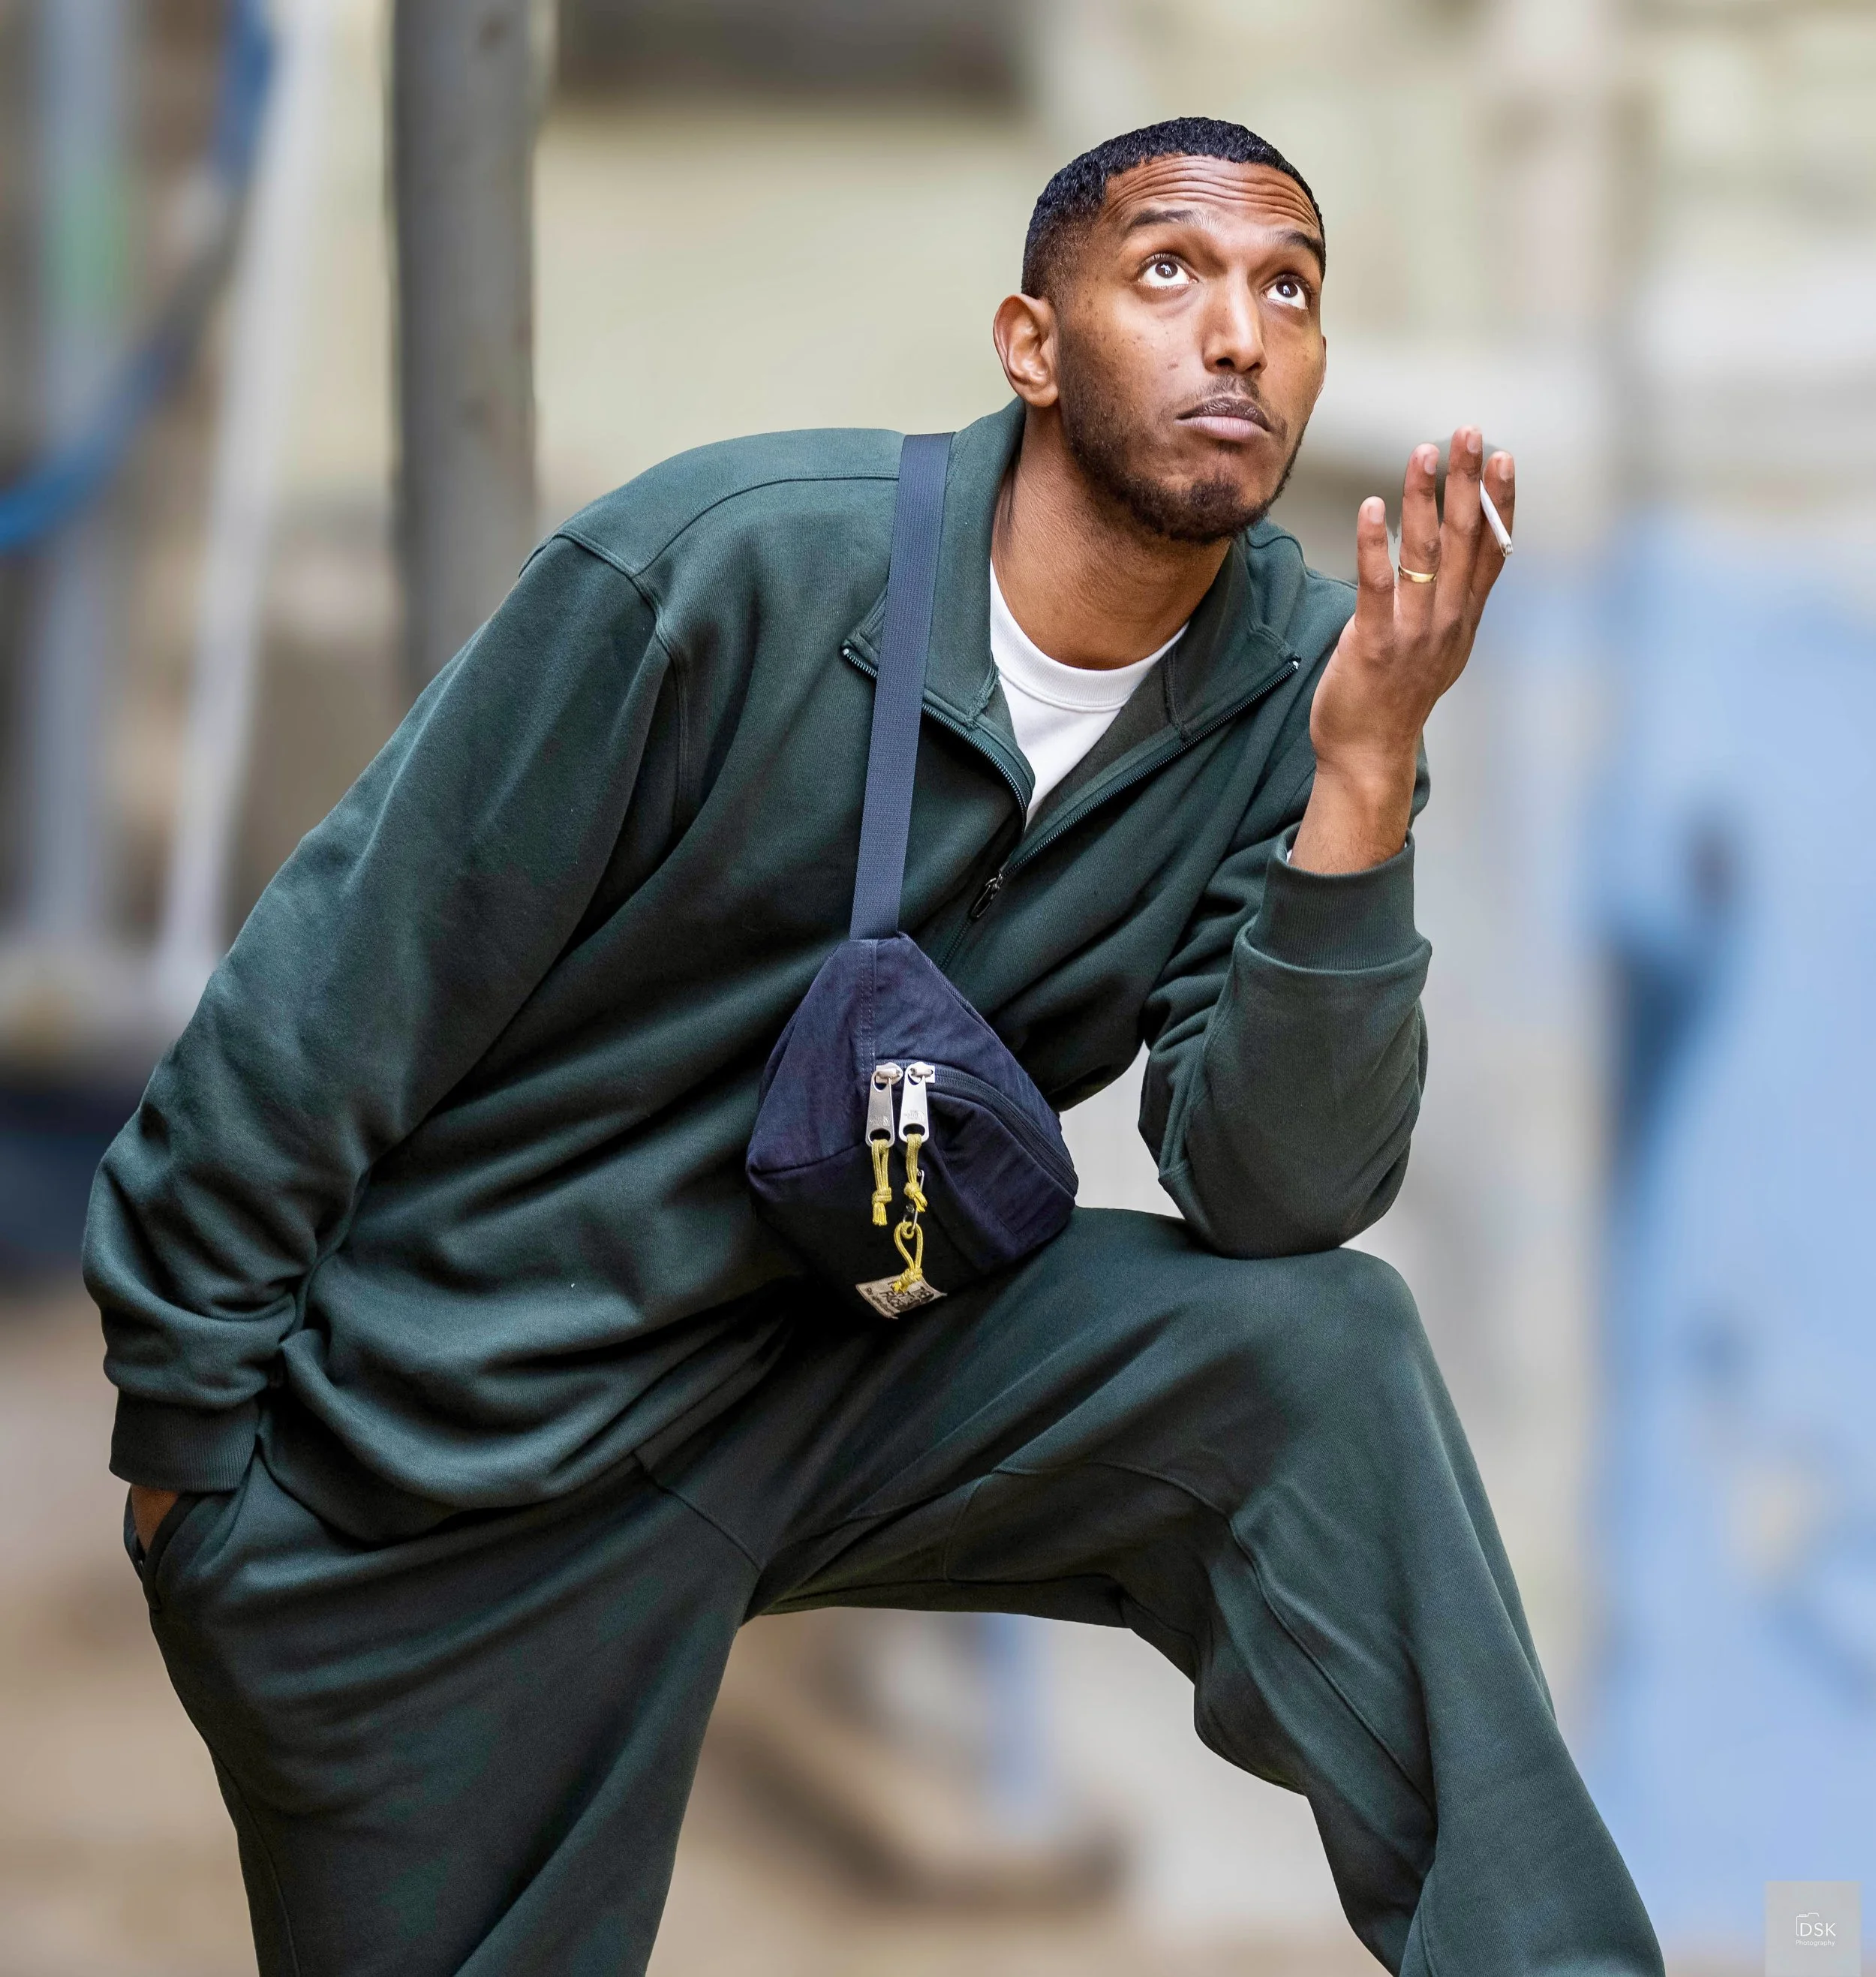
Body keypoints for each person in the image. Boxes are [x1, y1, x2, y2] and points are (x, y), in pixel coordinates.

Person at [89, 117, 1662, 1977]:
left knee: (1311, 1351)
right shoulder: (721, 569)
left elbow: (1275, 1191)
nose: (1236, 330)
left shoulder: (1300, 694)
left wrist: (1361, 779)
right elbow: (322, 1009)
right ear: (1029, 341)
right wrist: (197, 1462)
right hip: (451, 1444)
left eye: (1286, 289)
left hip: (833, 1379)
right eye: (1169, 271)